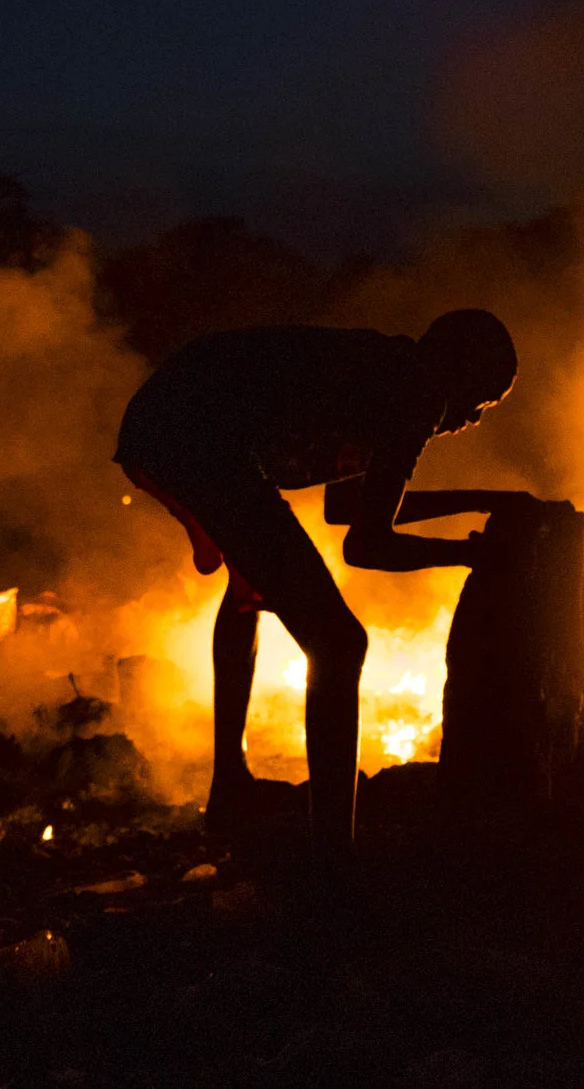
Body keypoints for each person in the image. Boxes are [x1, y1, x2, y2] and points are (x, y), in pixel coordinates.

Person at [114, 311, 518, 853]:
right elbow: (366, 545)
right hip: (197, 435)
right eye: (482, 400)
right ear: (458, 368)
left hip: (166, 420)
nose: (471, 419)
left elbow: (344, 505)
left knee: (250, 589)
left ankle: (230, 787)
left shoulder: (393, 373)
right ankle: (332, 855)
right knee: (340, 643)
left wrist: (488, 502)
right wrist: (471, 554)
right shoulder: (417, 392)